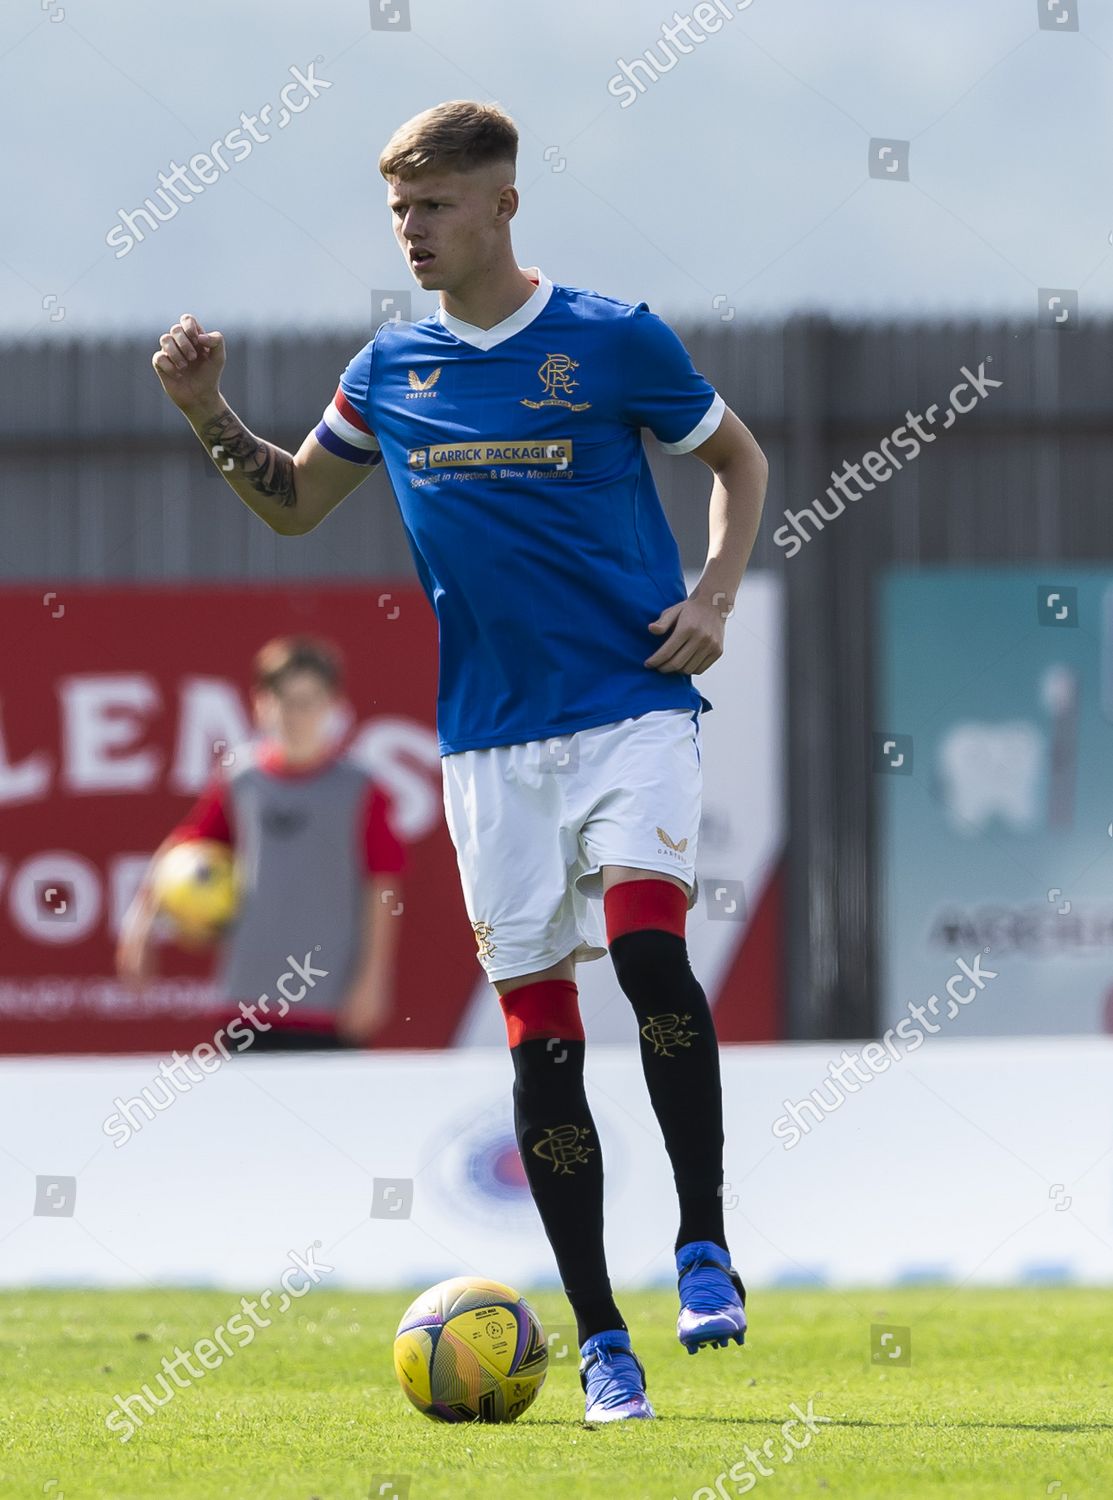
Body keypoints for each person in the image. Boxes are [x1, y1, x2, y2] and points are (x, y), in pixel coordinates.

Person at [148, 99, 768, 1421]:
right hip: (488, 743)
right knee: (542, 1046)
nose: (411, 232)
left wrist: (713, 595)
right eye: (396, 212)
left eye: (432, 208)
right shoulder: (389, 370)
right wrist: (209, 413)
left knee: (650, 953)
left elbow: (738, 457)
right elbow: (296, 504)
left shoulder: (612, 338)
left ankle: (703, 1243)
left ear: (501, 204)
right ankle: (602, 1341)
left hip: (629, 705)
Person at [117, 635, 405, 1051]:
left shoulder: (360, 789)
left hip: (329, 1003)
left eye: (309, 701)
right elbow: (183, 849)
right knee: (247, 1117)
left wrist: (373, 979)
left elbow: (382, 887)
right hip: (246, 1000)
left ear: (333, 705)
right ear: (260, 702)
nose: (296, 714)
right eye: (284, 700)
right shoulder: (240, 779)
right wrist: (141, 926)